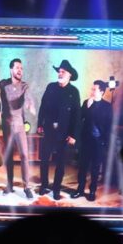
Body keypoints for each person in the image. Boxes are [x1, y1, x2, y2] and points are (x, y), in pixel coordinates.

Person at [37, 59, 80, 200]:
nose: (60, 74)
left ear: (69, 75)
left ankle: (56, 189)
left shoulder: (74, 92)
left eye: (63, 72)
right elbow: (43, 106)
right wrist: (39, 124)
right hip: (49, 130)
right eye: (59, 71)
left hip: (64, 133)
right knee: (44, 160)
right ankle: (44, 185)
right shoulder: (51, 87)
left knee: (60, 164)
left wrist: (73, 135)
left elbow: (76, 115)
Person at [0, 57, 37, 198]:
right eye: (17, 67)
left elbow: (29, 99)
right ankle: (9, 185)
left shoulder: (24, 86)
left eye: (21, 68)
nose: (20, 70)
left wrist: (30, 105)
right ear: (11, 70)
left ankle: (27, 187)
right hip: (7, 126)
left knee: (24, 155)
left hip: (20, 125)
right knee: (8, 156)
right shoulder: (3, 84)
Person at [72, 80, 112, 201]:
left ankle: (92, 191)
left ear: (101, 92)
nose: (92, 91)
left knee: (95, 168)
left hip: (99, 142)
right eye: (92, 89)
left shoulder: (107, 106)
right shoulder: (87, 102)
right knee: (82, 166)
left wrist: (105, 142)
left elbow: (109, 126)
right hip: (86, 141)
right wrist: (87, 107)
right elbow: (79, 119)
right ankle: (80, 189)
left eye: (94, 89)